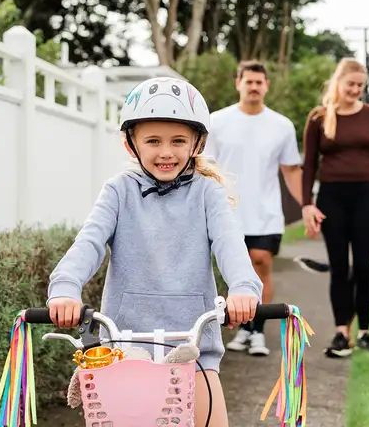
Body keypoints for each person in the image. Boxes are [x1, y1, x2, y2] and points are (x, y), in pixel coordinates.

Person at [46, 77, 263, 427]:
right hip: (124, 348)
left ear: (197, 142)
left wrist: (242, 288)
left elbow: (230, 244)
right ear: (132, 145)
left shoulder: (207, 194)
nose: (166, 152)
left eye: (178, 141)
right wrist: (65, 288)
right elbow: (88, 243)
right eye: (153, 141)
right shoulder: (119, 191)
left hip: (194, 349)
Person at [301, 58, 369, 358]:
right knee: (340, 268)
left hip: (366, 196)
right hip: (332, 198)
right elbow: (308, 165)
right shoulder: (318, 117)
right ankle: (342, 331)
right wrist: (307, 204)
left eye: (360, 85)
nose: (356, 90)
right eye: (351, 84)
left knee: (364, 267)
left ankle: (366, 332)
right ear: (338, 83)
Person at [205, 60, 302, 356]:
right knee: (232, 272)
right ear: (238, 83)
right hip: (226, 212)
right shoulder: (217, 121)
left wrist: (308, 206)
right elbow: (205, 166)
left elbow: (292, 170)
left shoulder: (281, 125)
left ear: (266, 86)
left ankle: (257, 330)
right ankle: (240, 329)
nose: (254, 87)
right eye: (249, 81)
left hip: (265, 213)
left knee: (260, 262)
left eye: (260, 82)